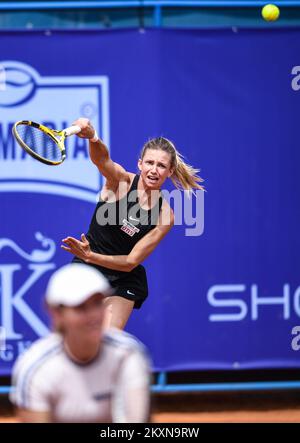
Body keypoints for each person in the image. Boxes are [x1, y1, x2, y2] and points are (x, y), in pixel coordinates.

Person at [61, 118, 204, 330]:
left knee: (107, 338)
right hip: (87, 267)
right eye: (150, 163)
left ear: (170, 171)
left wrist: (91, 255)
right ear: (140, 164)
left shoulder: (166, 214)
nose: (154, 170)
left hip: (122, 276)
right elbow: (102, 160)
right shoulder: (121, 182)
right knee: (78, 334)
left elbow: (130, 261)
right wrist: (92, 137)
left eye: (161, 165)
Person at [10, 263, 151, 423]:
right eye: (80, 307)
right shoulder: (35, 369)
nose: (94, 316)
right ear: (55, 312)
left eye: (98, 304)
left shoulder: (129, 355)